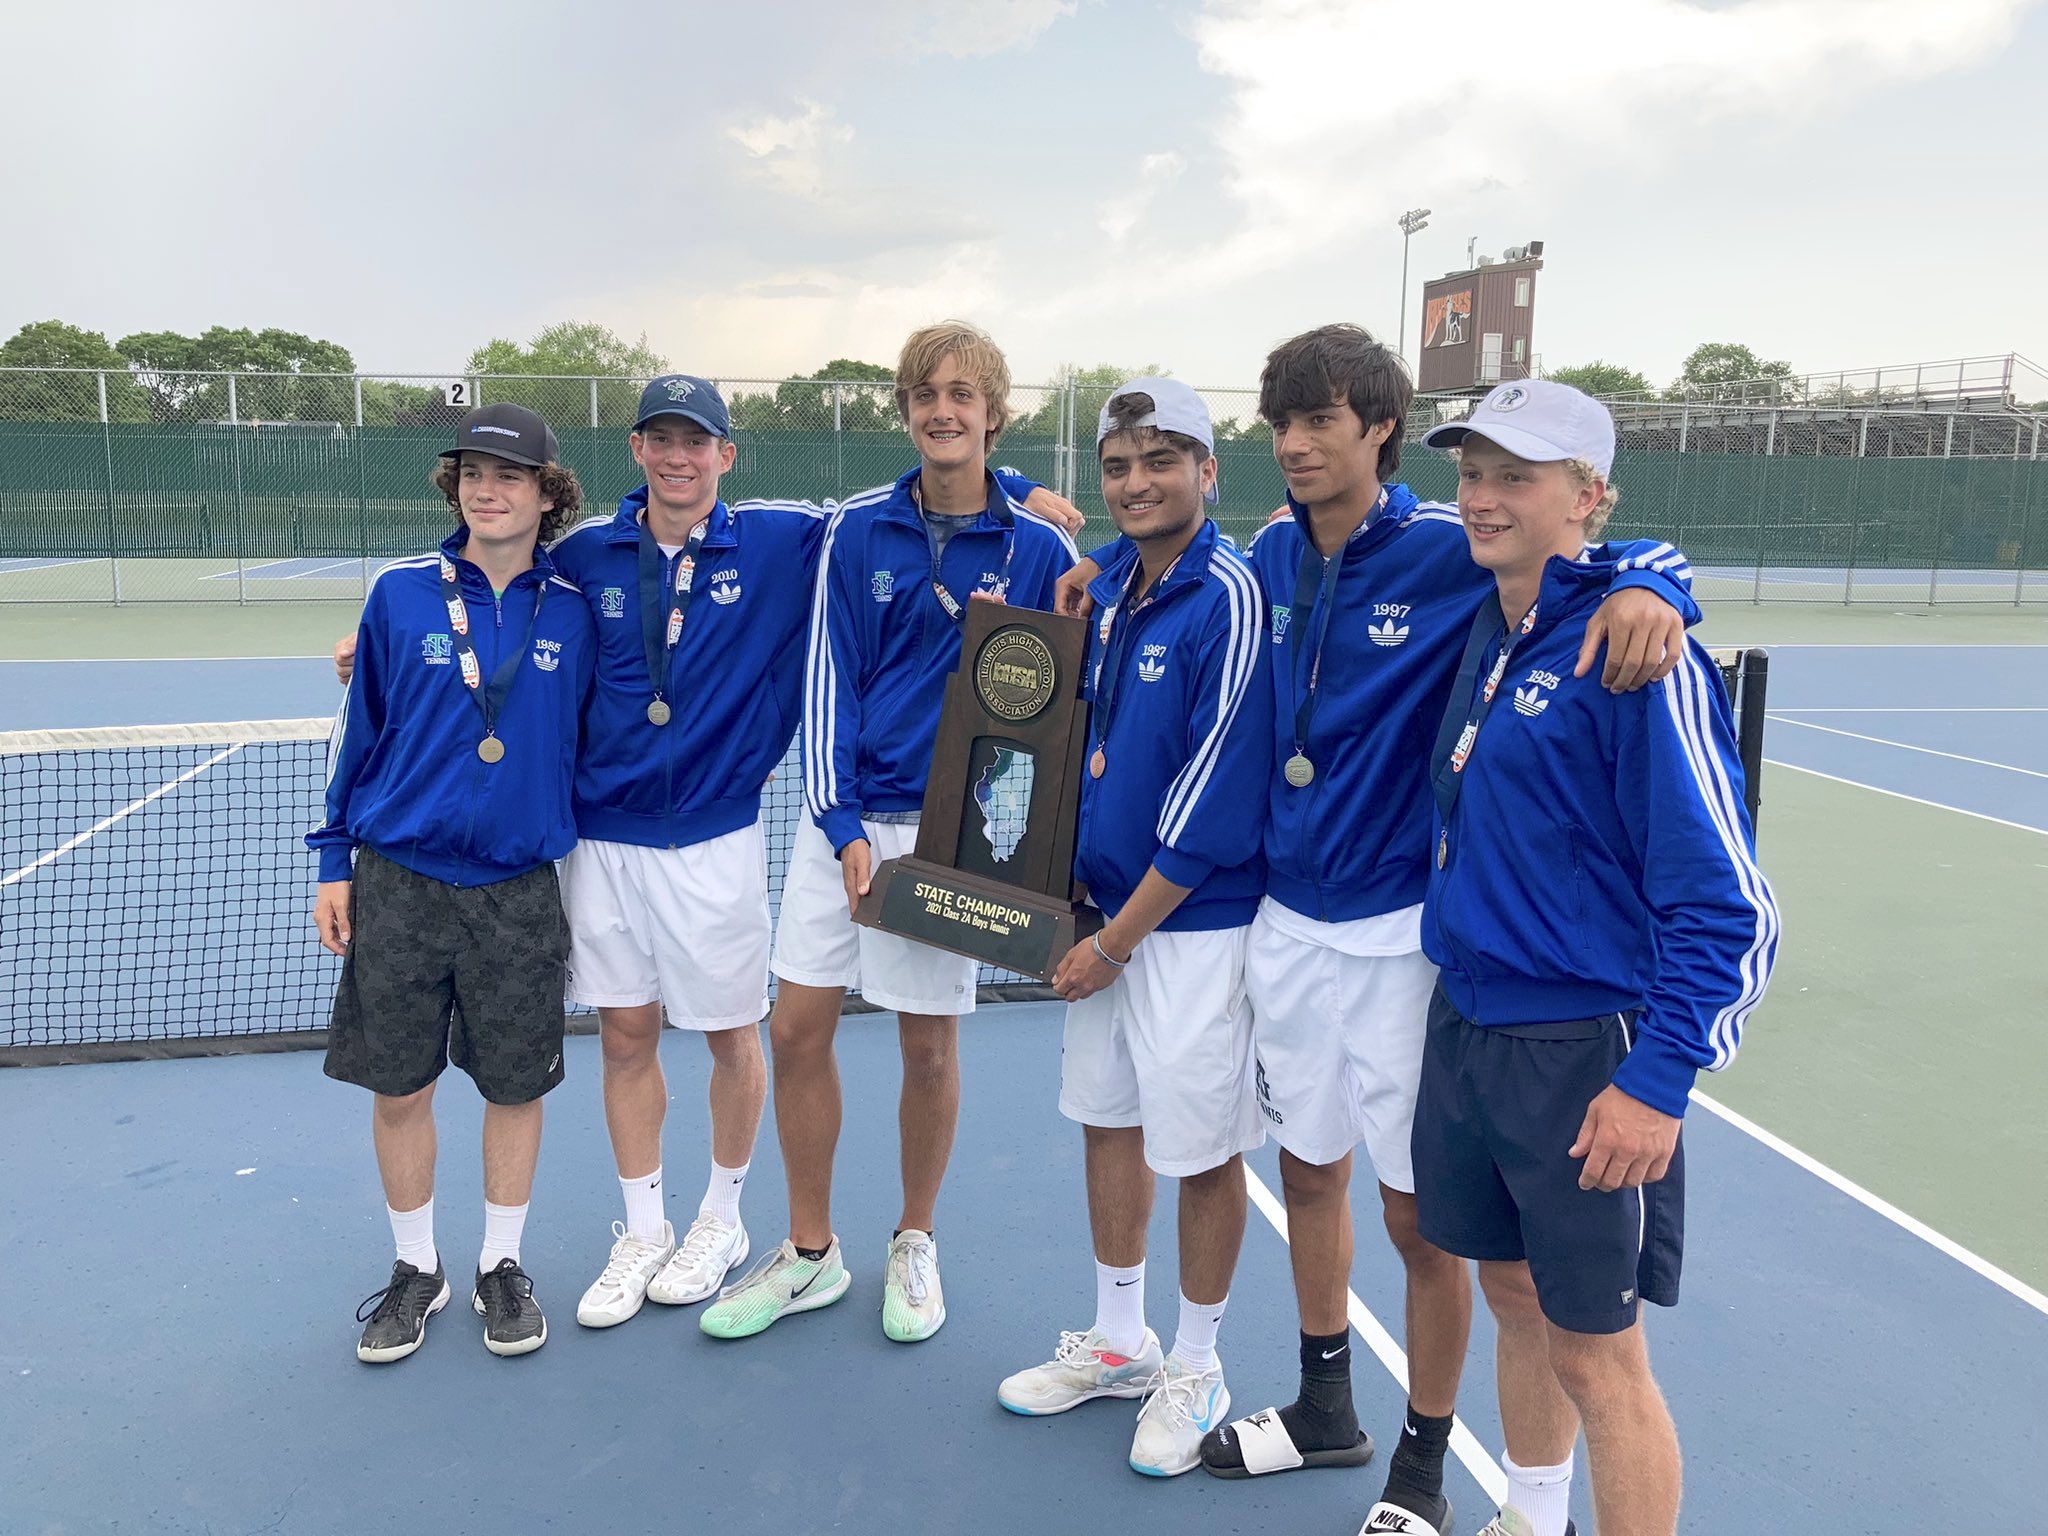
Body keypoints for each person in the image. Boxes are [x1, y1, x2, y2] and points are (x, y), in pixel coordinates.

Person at [1053, 326, 1695, 1535]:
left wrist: (1653, 582)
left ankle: (1421, 1461)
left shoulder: (1449, 547)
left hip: (1400, 933)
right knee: (1308, 1174)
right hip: (1285, 922)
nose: (1295, 446)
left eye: (1321, 422)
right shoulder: (1264, 558)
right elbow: (1167, 554)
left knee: (1419, 1217)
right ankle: (1324, 1407)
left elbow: (1585, 553)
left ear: (1379, 431)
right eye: (1281, 425)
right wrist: (1089, 559)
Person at [334, 380, 1080, 1332]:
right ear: (637, 450)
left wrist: (1008, 481)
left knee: (736, 1037)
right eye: (661, 440)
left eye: (698, 442)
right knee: (626, 1035)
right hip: (602, 840)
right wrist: (377, 638)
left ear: (727, 455)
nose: (678, 458)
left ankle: (723, 1221)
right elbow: (492, 590)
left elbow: (916, 491)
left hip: (718, 836)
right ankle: (644, 1228)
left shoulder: (784, 536)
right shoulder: (583, 555)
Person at [1411, 380, 1778, 1536]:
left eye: (1513, 477)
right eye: (1471, 473)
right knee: (1511, 1293)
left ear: (1586, 496)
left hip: (1580, 1049)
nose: (1481, 498)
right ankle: (1530, 1517)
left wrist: (1657, 1081)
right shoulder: (1493, 620)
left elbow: (1728, 905)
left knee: (1600, 1361)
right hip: (1466, 1023)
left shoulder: (1639, 657)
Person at [699, 320, 1080, 1344]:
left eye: (962, 395)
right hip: (846, 825)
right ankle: (810, 1251)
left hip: (956, 833)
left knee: (927, 1046)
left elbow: (1054, 710)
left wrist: (1006, 834)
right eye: (924, 394)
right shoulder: (856, 530)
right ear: (906, 411)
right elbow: (827, 678)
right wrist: (837, 822)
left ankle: (915, 1239)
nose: (942, 411)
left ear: (993, 414)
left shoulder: (1042, 548)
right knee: (794, 1029)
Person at [996, 380, 1270, 1476]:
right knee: (1106, 1122)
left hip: (1189, 929)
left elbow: (1211, 803)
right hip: (1104, 908)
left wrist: (1113, 946)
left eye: (1161, 461)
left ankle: (1196, 1364)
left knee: (1199, 1150)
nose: (1136, 482)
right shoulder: (1108, 585)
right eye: (1118, 466)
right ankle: (1120, 1341)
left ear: (1207, 471)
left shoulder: (1229, 596)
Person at [310, 402, 596, 1363]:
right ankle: (415, 1269)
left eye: (510, 475)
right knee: (400, 1087)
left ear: (547, 495)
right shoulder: (398, 594)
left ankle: (500, 1265)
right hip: (400, 881)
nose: (487, 489)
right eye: (472, 472)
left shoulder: (576, 609)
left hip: (519, 888)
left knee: (515, 1087)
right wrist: (333, 860)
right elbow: (358, 733)